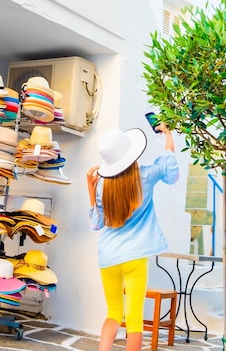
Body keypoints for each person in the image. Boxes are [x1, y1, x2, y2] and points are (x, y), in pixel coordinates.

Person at [86, 124, 179, 351]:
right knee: (134, 318)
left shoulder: (102, 186)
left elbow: (96, 223)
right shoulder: (146, 176)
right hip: (135, 258)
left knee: (114, 312)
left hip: (108, 256)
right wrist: (168, 134)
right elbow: (170, 169)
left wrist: (90, 187)